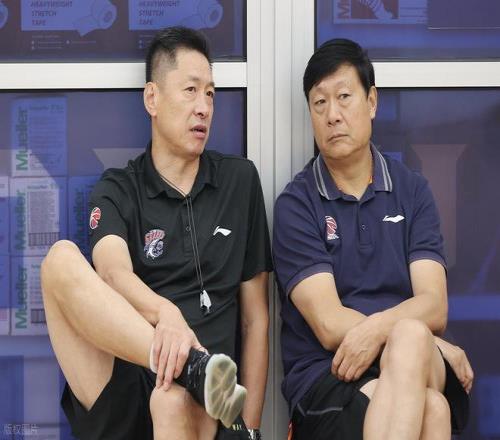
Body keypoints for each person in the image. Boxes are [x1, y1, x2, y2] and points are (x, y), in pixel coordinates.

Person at [41, 27, 272, 440]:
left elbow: (256, 320)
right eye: (191, 90)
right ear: (152, 98)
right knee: (59, 259)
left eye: (211, 94)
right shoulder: (118, 188)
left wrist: (250, 431)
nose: (203, 107)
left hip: (206, 407)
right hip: (132, 383)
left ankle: (190, 373)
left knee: (171, 399)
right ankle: (188, 367)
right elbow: (112, 272)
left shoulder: (239, 181)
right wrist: (167, 315)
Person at [273, 38, 473, 440]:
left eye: (344, 97)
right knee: (432, 408)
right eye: (319, 103)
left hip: (411, 353)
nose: (332, 115)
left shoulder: (412, 190)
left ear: (372, 102)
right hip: (330, 371)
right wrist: (430, 344)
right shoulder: (297, 204)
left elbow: (434, 306)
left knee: (412, 337)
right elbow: (329, 324)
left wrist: (387, 331)